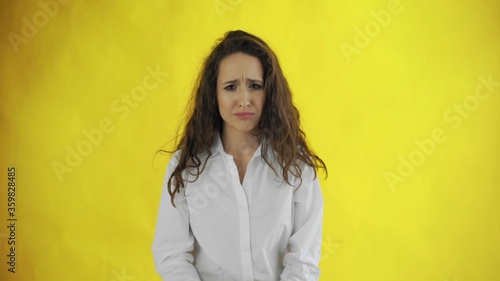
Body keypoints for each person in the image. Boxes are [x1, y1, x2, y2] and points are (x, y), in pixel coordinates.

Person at [152, 30, 327, 281]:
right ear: (214, 94)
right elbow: (172, 255)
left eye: (255, 86)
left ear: (270, 93)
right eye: (231, 87)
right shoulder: (186, 166)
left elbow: (304, 260)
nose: (244, 100)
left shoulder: (296, 165)